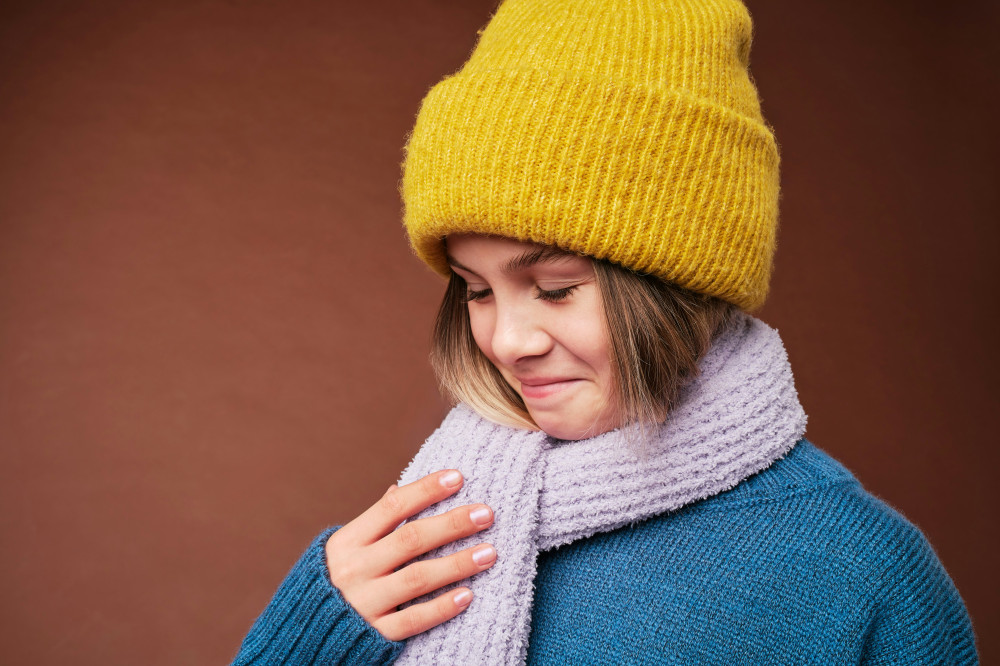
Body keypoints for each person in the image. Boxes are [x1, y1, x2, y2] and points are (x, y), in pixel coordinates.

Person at [233, 0, 978, 663]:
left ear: (679, 285)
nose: (508, 342)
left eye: (555, 290)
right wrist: (315, 634)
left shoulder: (864, 575)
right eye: (476, 291)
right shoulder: (432, 529)